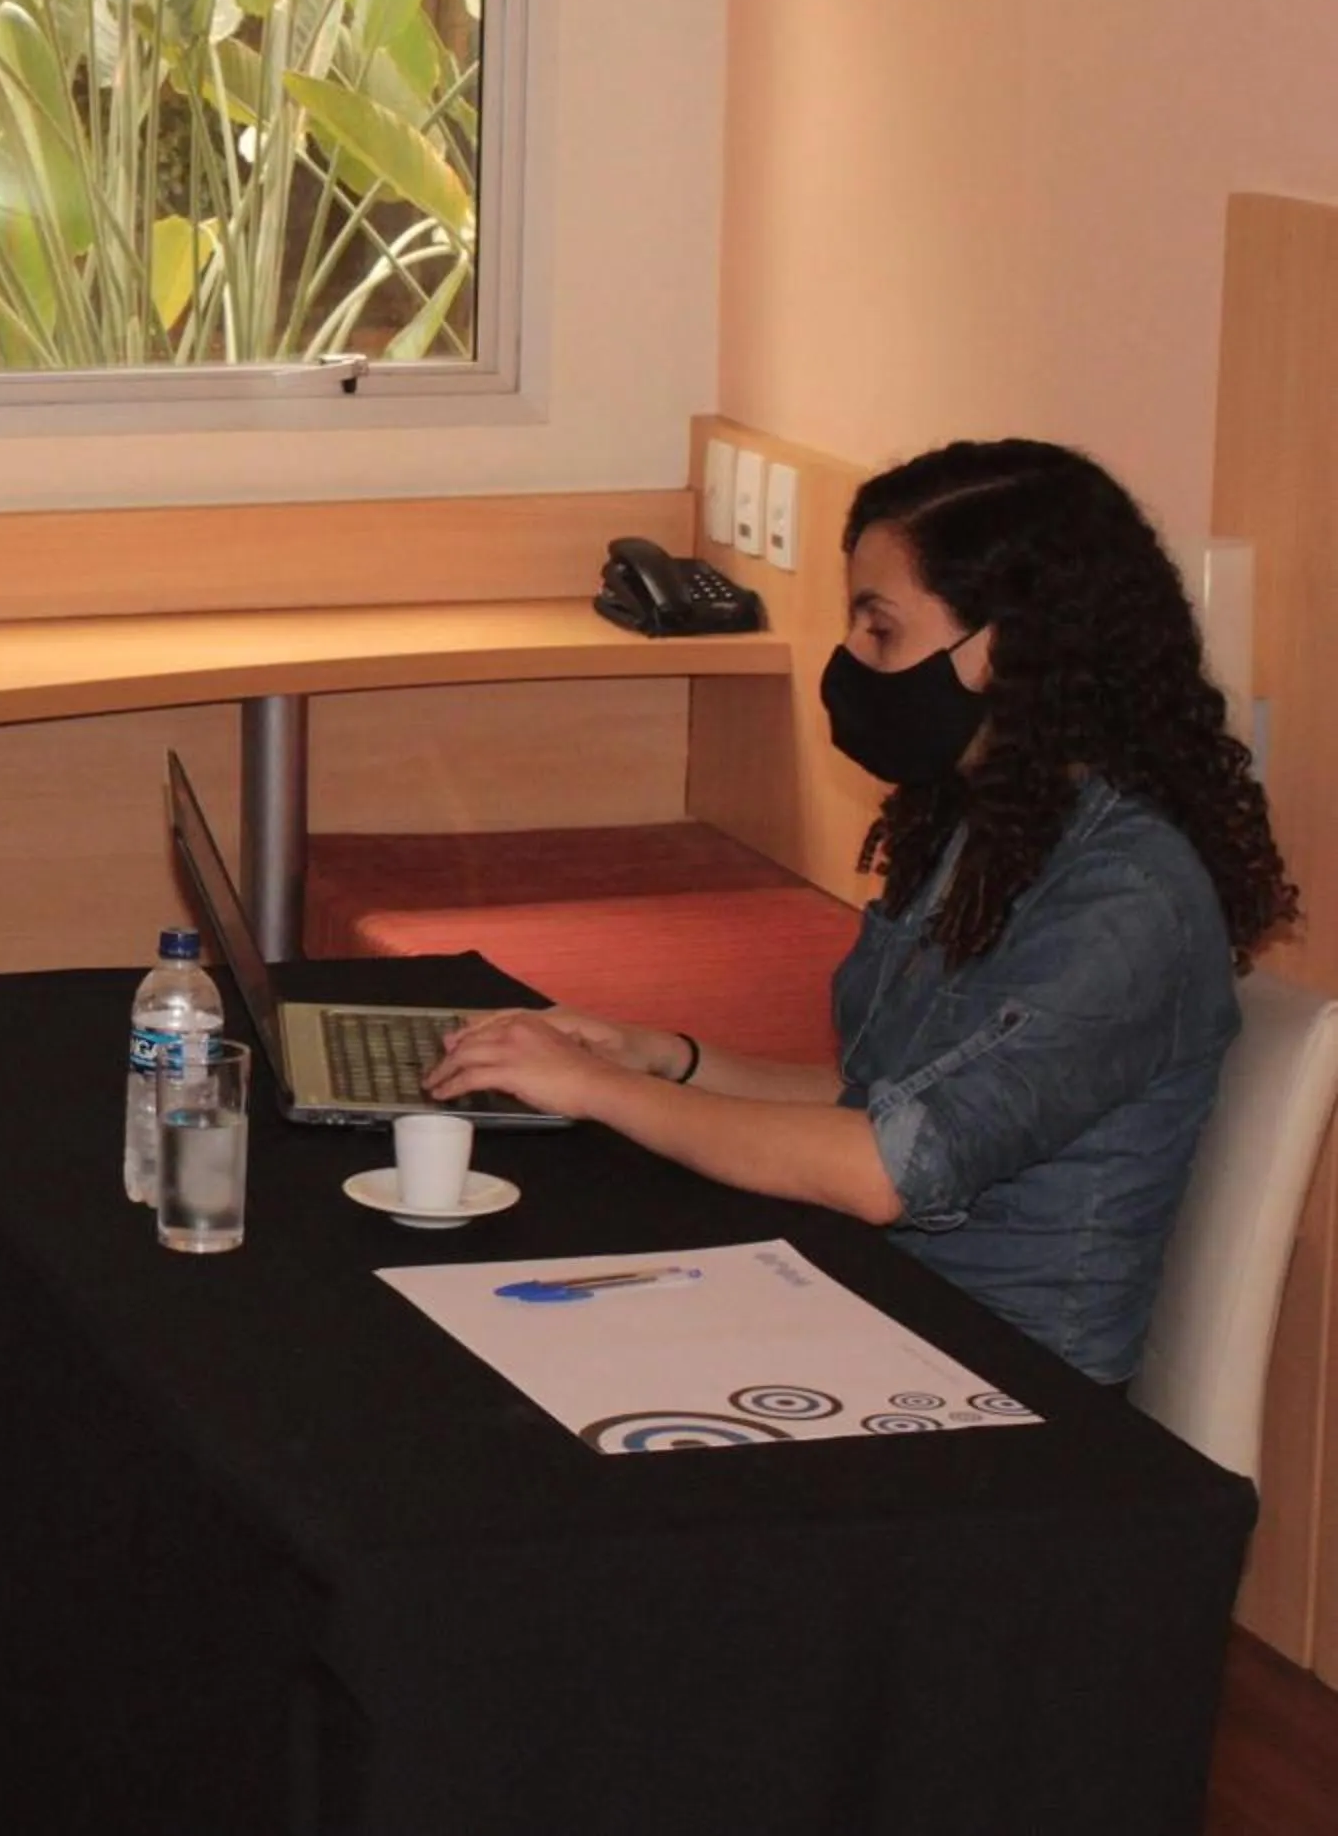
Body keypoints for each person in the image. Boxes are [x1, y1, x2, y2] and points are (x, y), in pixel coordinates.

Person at [426, 438, 1298, 1384]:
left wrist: (599, 1092)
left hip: (1001, 1391)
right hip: (872, 1310)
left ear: (1001, 650)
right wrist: (663, 1058)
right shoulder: (990, 824)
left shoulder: (1125, 903)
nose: (851, 660)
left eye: (881, 630)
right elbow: (878, 1092)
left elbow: (882, 1170)